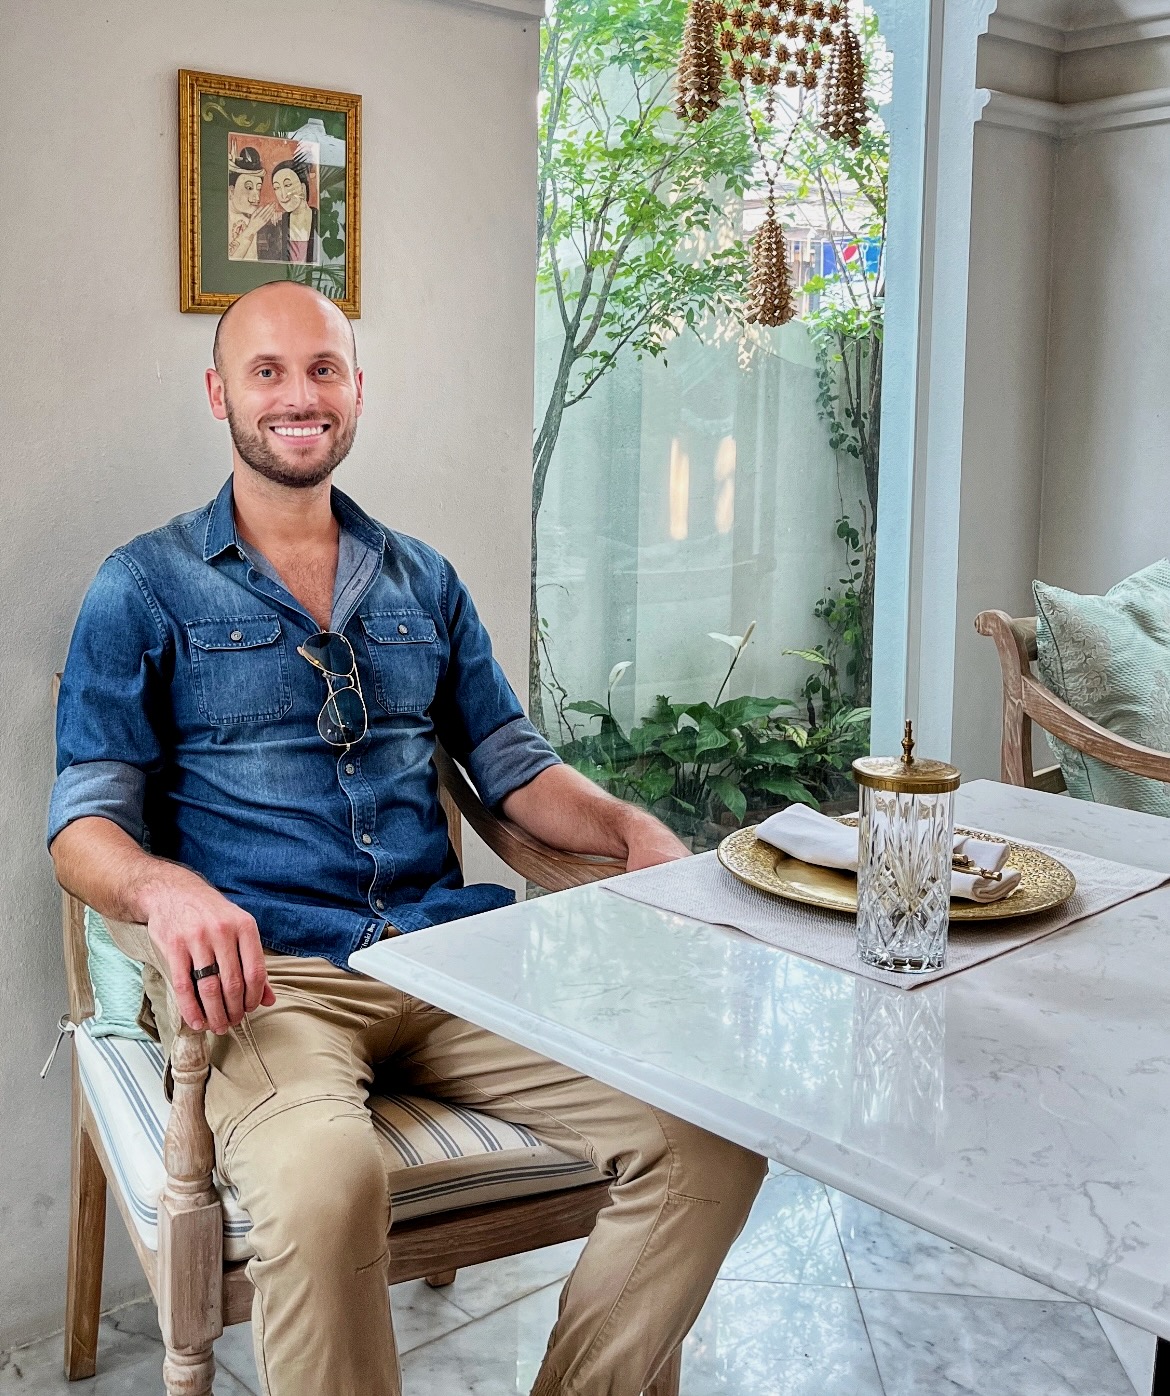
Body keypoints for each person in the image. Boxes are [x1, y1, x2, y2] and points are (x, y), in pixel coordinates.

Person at [49, 283, 766, 1395]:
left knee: (710, 1140)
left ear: (356, 390)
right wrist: (163, 892)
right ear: (219, 395)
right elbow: (83, 822)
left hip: (449, 966)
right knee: (328, 1182)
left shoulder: (422, 579)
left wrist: (635, 834)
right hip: (269, 985)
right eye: (269, 371)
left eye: (324, 369)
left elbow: (515, 766)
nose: (300, 396)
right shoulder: (141, 586)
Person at [262, 156, 320, 264]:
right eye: (277, 188)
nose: (283, 195)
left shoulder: (320, 219)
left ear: (302, 188)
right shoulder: (277, 224)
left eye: (288, 185)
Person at [227, 146, 278, 262]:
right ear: (231, 191)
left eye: (258, 189)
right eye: (249, 187)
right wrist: (251, 229)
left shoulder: (252, 217)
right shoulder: (223, 219)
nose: (256, 197)